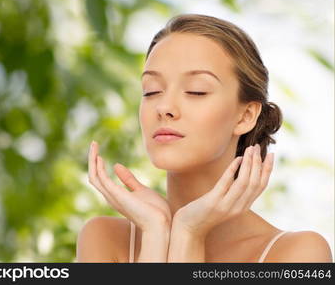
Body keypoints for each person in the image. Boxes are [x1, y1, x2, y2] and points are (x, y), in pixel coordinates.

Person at [76, 14, 333, 263]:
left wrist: (189, 232)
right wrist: (156, 233)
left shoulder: (297, 254)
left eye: (196, 91)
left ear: (245, 116)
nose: (164, 107)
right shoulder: (105, 239)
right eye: (151, 91)